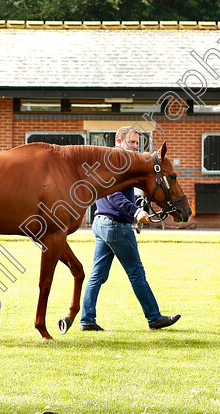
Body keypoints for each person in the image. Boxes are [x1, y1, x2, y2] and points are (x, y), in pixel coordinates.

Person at [80, 126, 181, 331]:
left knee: (97, 274)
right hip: (116, 225)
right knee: (136, 272)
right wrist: (135, 212)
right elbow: (113, 195)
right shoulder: (116, 162)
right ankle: (154, 318)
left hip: (102, 222)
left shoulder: (112, 162)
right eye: (132, 142)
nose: (135, 146)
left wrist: (137, 204)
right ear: (119, 142)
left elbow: (116, 195)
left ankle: (87, 320)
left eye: (137, 143)